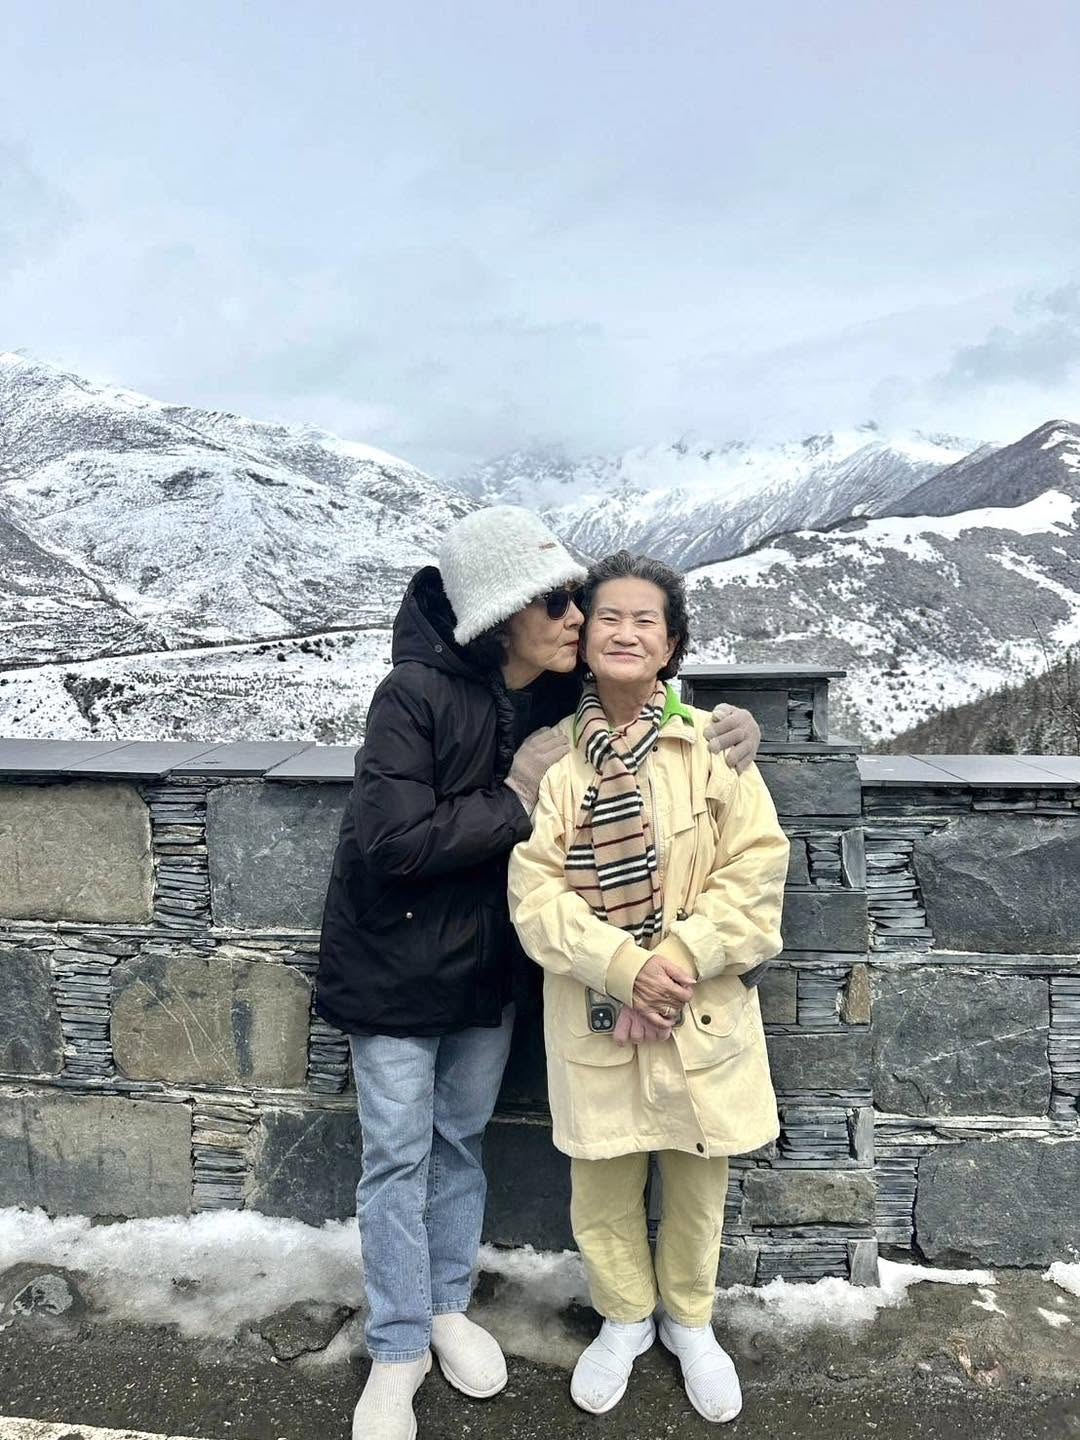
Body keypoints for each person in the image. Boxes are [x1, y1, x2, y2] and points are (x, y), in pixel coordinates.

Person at [316, 509, 763, 1440]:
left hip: (487, 975)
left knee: (460, 1143)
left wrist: (735, 723)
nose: (580, 619)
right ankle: (398, 1349)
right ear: (500, 614)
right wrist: (516, 793)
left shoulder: (553, 697)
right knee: (398, 1157)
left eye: (578, 602)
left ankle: (449, 1308)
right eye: (559, 603)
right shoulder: (413, 696)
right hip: (397, 966)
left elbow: (652, 707)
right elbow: (394, 842)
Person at [508, 550, 789, 1425]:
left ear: (671, 646)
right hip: (598, 1010)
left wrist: (678, 959)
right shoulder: (558, 763)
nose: (626, 633)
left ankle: (691, 1321)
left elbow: (757, 873)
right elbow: (534, 893)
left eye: (646, 621)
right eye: (609, 617)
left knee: (699, 1185)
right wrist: (625, 969)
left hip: (698, 1010)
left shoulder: (713, 748)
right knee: (602, 1187)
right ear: (583, 638)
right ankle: (625, 1317)